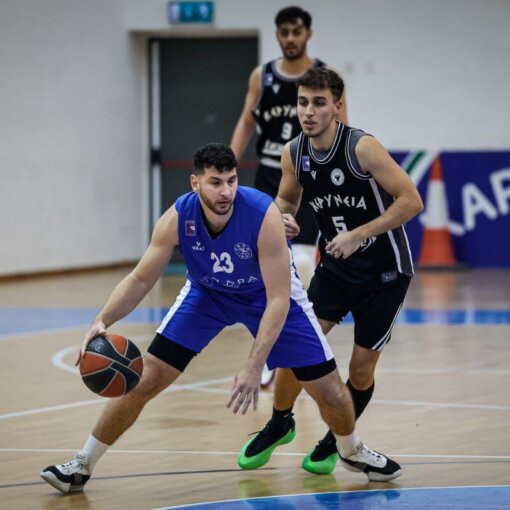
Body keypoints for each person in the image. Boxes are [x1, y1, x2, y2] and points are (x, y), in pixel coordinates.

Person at [40, 143, 402, 494]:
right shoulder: (177, 218)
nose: (226, 191)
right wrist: (103, 319)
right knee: (147, 377)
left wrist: (254, 366)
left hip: (266, 296)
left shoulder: (262, 215)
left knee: (330, 392)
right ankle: (82, 464)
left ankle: (351, 449)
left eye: (231, 180)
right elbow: (139, 279)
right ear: (195, 183)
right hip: (208, 294)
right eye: (215, 182)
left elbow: (279, 298)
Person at [238, 68, 423, 475]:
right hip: (336, 270)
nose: (308, 111)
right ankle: (280, 422)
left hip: (385, 273)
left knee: (360, 369)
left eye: (319, 103)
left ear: (337, 106)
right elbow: (287, 199)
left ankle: (337, 440)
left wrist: (360, 233)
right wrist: (281, 216)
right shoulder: (294, 152)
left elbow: (411, 200)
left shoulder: (363, 148)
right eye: (303, 102)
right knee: (297, 345)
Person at [230, 5, 348, 387]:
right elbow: (247, 121)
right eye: (284, 32)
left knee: (303, 261)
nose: (291, 38)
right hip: (270, 175)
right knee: (267, 266)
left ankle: (299, 341)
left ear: (308, 33)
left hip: (311, 175)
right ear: (277, 35)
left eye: (297, 31)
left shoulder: (326, 76)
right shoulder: (262, 76)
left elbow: (344, 128)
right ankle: (271, 351)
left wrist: (341, 178)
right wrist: (228, 164)